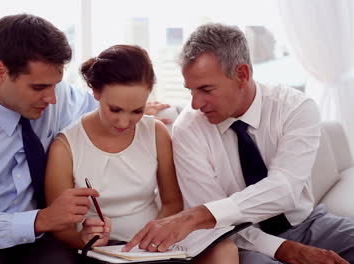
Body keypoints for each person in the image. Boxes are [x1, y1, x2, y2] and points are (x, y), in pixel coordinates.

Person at [0, 14, 167, 264]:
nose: (52, 99)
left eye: (55, 85)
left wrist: (137, 111)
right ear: (0, 71)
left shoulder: (60, 97)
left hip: (35, 239)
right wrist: (41, 220)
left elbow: (106, 105)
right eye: (38, 88)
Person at [124, 23, 354, 264]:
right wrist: (285, 249)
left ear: (242, 75)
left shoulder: (294, 108)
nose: (195, 104)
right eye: (191, 90)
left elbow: (283, 188)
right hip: (235, 237)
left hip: (305, 222)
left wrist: (198, 215)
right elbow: (216, 225)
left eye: (206, 89)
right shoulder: (188, 129)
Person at [45, 44, 239, 264]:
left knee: (224, 250)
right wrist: (84, 238)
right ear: (96, 92)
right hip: (102, 252)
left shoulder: (155, 132)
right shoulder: (65, 147)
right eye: (115, 109)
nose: (124, 122)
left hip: (154, 245)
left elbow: (172, 202)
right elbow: (60, 226)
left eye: (137, 111)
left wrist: (150, 242)